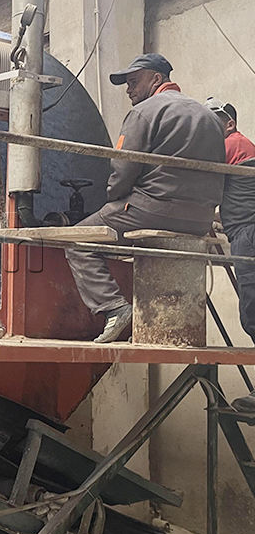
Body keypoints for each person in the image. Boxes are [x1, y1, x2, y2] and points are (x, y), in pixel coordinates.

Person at [65, 53, 226, 343]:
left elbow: (123, 168)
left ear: (156, 79)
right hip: (200, 220)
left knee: (78, 240)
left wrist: (113, 198)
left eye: (133, 81)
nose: (129, 90)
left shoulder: (144, 112)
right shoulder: (210, 118)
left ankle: (114, 309)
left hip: (152, 210)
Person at [205, 99, 255, 412]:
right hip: (243, 233)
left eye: (211, 124)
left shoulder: (231, 143)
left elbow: (198, 182)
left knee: (253, 311)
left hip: (249, 235)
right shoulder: (240, 148)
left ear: (229, 123)